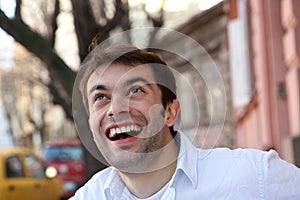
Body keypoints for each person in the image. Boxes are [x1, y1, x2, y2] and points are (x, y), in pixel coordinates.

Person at [71, 43, 300, 199]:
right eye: (100, 97)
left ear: (170, 112)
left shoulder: (255, 176)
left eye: (135, 90)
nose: (116, 108)